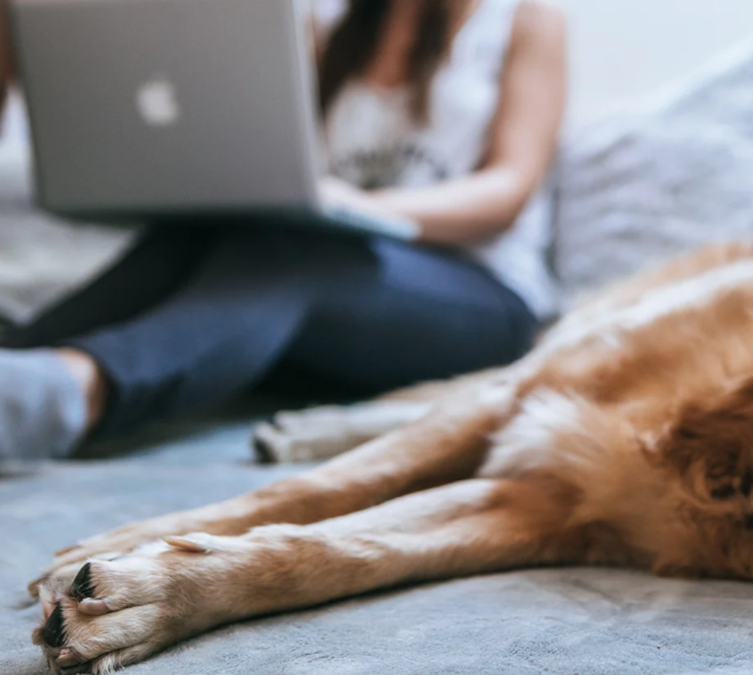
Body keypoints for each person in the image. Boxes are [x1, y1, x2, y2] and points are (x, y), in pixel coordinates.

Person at [0, 0, 566, 461]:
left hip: (482, 299)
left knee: (295, 254)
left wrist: (367, 206)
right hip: (336, 272)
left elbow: (508, 190)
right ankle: (20, 358)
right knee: (207, 236)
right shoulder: (326, 27)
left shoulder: (523, 19)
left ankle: (75, 392)